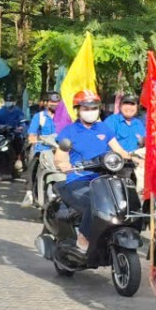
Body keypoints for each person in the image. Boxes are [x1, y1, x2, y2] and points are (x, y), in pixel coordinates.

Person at [54, 91, 112, 252]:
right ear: (78, 110)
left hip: (104, 180)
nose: (90, 111)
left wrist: (138, 157)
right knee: (95, 203)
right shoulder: (69, 131)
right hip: (78, 180)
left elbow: (119, 151)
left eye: (94, 108)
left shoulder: (104, 128)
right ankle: (83, 237)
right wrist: (63, 164)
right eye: (86, 108)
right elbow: (59, 156)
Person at [22, 92, 62, 204]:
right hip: (42, 150)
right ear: (46, 103)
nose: (54, 104)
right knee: (32, 168)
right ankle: (29, 193)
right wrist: (32, 138)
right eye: (52, 102)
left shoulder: (64, 117)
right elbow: (32, 132)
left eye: (57, 102)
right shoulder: (39, 117)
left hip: (59, 150)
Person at [0, 94, 29, 175]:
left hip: (14, 134)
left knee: (19, 145)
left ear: (13, 102)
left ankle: (19, 161)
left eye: (10, 101)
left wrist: (21, 128)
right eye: (7, 101)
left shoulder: (18, 112)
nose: (8, 102)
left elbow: (23, 123)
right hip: (2, 134)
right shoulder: (0, 112)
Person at [103, 92, 147, 157]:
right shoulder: (111, 121)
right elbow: (113, 147)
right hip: (116, 160)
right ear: (120, 106)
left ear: (137, 107)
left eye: (132, 104)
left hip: (136, 159)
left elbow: (145, 144)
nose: (129, 107)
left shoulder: (139, 124)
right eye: (126, 104)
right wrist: (130, 157)